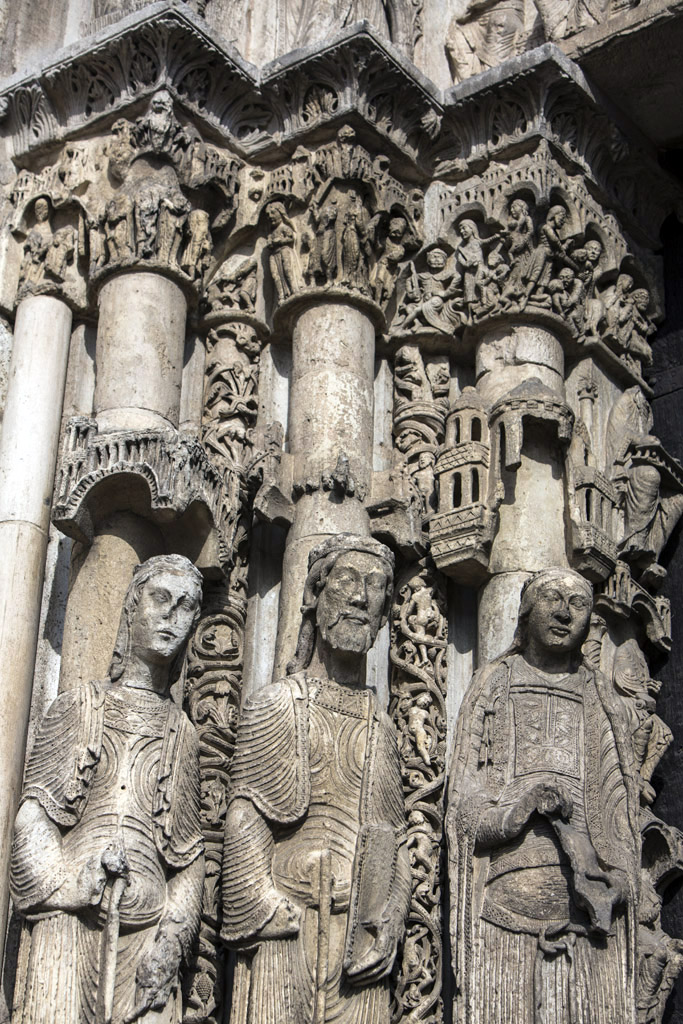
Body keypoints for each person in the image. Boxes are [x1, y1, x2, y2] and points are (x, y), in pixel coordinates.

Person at [222, 534, 410, 1024]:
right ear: (313, 595)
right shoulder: (277, 703)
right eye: (346, 580)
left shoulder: (382, 728)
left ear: (385, 615)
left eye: (375, 586)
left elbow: (392, 844)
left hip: (356, 946)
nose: (360, 598)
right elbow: (245, 819)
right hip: (285, 930)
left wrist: (389, 921)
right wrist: (267, 907)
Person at [10, 555, 205, 1024]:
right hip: (69, 922)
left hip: (147, 935)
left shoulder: (182, 732)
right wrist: (72, 883)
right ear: (132, 607)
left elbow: (189, 857)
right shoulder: (79, 706)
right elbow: (33, 817)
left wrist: (173, 938)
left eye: (185, 607)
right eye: (160, 598)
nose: (170, 615)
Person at [446, 567, 640, 1024]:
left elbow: (620, 817)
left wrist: (619, 882)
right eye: (552, 598)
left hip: (588, 926)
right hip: (503, 915)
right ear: (526, 610)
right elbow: (463, 807)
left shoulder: (602, 700)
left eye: (578, 604)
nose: (564, 613)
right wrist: (516, 812)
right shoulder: (494, 683)